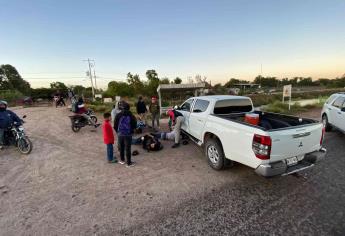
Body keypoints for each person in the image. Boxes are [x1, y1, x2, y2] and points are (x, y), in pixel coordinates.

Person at [114, 102, 137, 167]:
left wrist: (118, 132)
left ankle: (122, 160)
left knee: (121, 147)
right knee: (128, 148)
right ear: (129, 107)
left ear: (122, 107)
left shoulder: (118, 115)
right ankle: (128, 163)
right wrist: (132, 131)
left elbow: (115, 125)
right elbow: (134, 125)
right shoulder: (131, 115)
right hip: (128, 134)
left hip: (120, 134)